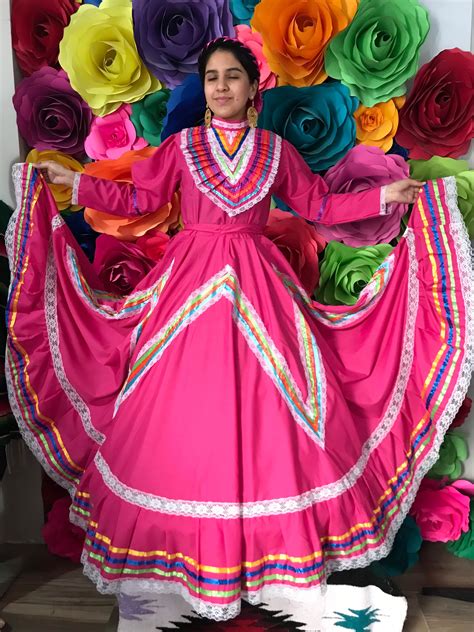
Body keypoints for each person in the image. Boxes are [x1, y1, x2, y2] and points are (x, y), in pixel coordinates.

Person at [7, 37, 472, 628]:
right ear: (203, 89)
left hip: (262, 292)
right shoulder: (183, 147)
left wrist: (387, 193)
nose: (222, 86)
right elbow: (139, 196)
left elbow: (322, 207)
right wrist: (74, 184)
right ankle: (196, 567)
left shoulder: (275, 151)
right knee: (189, 421)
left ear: (255, 88)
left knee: (271, 422)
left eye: (233, 77)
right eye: (212, 78)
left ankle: (266, 568)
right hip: (188, 288)